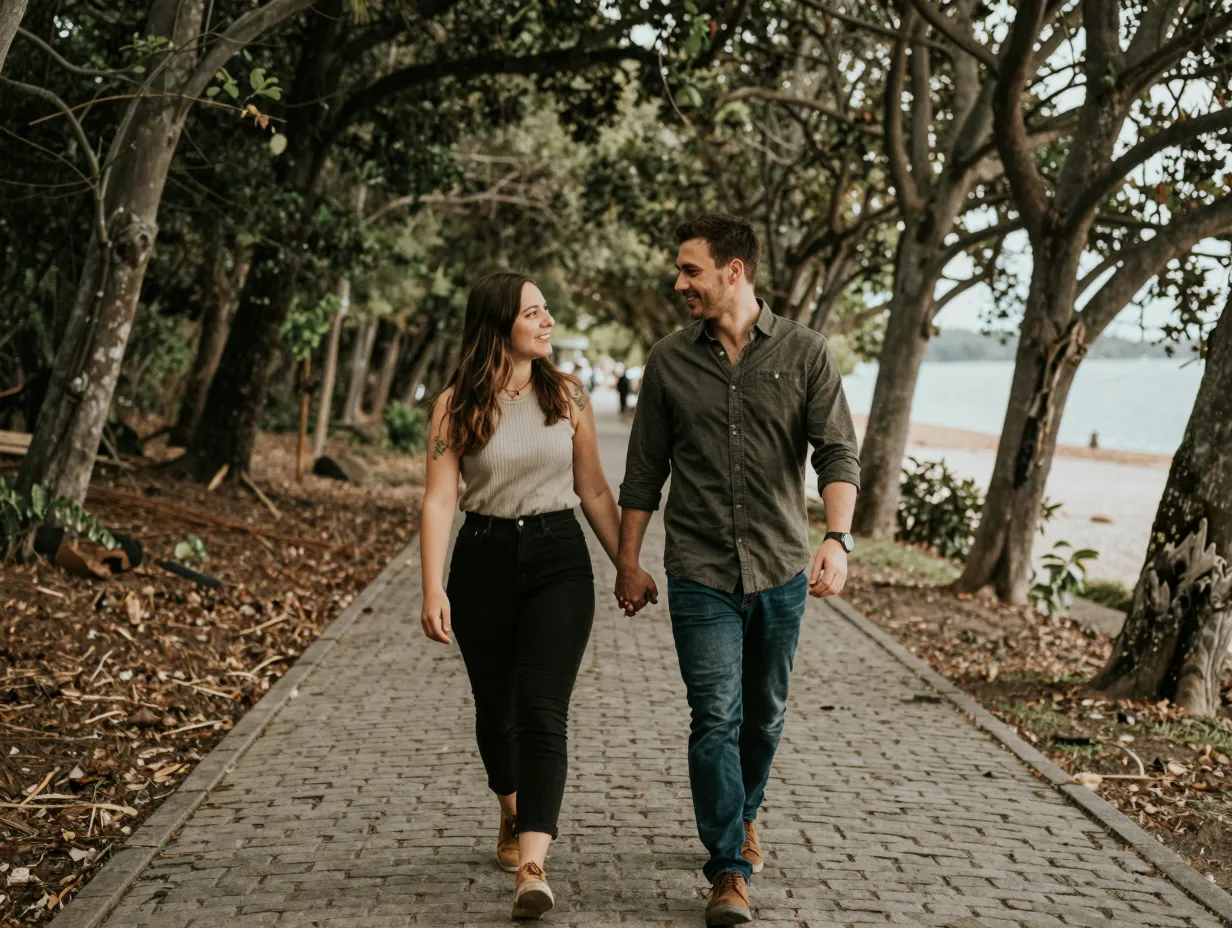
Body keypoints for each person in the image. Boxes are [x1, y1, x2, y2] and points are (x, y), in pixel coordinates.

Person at [614, 215, 861, 926]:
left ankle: (747, 810)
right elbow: (643, 475)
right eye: (680, 270)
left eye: (691, 270)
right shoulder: (667, 361)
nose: (678, 282)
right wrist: (629, 563)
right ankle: (726, 867)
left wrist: (837, 540)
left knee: (765, 713)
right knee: (714, 715)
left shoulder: (807, 353)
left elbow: (837, 454)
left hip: (781, 565)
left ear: (735, 271)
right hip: (699, 569)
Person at [419, 271, 623, 920]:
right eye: (533, 312)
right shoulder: (457, 403)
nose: (547, 321)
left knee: (542, 708)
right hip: (481, 561)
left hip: (559, 561)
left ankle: (533, 862)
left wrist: (628, 563)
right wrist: (431, 586)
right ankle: (510, 808)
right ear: (499, 323)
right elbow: (441, 497)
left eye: (547, 311)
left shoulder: (567, 395)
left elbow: (593, 490)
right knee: (495, 708)